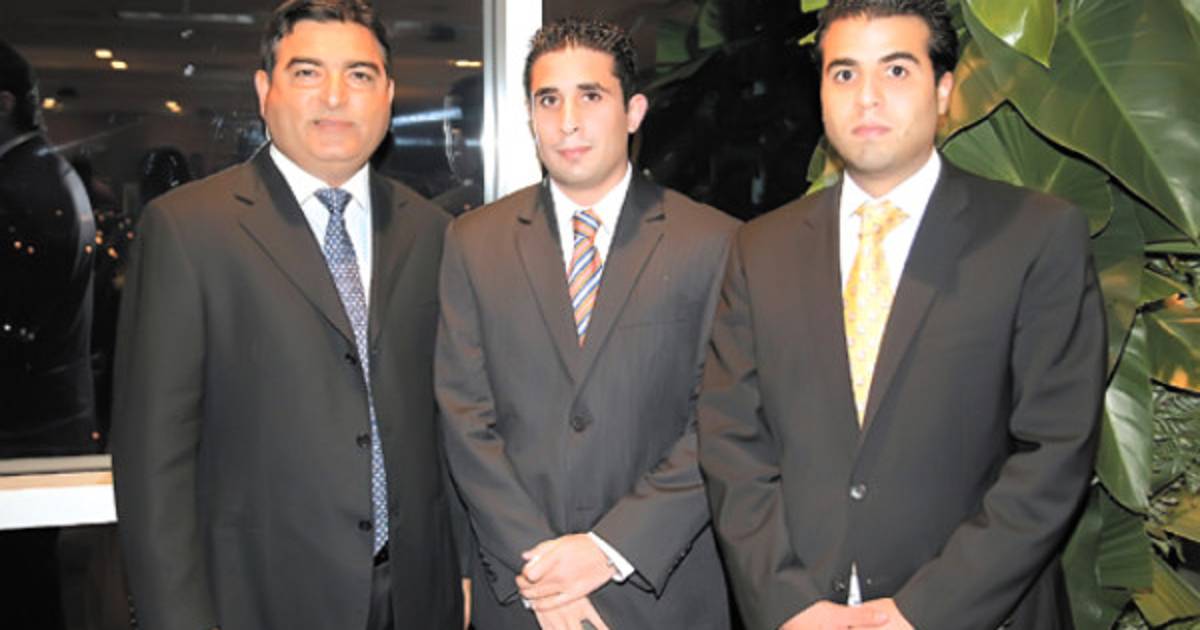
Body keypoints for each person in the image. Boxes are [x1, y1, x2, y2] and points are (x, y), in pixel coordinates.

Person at [697, 1, 1106, 629]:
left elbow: (1055, 451)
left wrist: (924, 612)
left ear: (943, 90)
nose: (867, 97)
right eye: (844, 73)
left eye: (895, 70)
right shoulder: (760, 249)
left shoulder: (1034, 235)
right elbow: (732, 442)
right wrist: (789, 605)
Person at [109, 2, 464, 629]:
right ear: (264, 89)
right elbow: (153, 463)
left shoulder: (433, 232)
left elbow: (451, 427)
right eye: (307, 73)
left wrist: (463, 579)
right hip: (256, 600)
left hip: (415, 597)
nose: (335, 96)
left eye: (359, 75)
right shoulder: (189, 231)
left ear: (388, 96)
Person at [437, 17, 737, 630]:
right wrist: (546, 576)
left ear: (634, 112)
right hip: (522, 594)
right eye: (548, 100)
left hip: (660, 592)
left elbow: (720, 421)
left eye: (591, 96)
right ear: (530, 116)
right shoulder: (473, 242)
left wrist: (606, 551)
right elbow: (464, 420)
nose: (567, 121)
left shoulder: (715, 243)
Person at [0, 38, 97, 458]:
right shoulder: (46, 171)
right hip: (47, 419)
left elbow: (14, 321)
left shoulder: (17, 188)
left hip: (22, 429)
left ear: (4, 103)